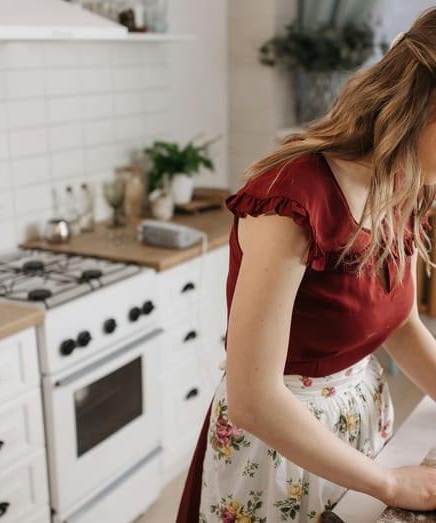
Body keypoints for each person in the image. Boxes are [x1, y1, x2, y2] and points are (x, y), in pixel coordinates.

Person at [177, 7, 436, 523]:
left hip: (354, 427)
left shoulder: (406, 182)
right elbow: (253, 398)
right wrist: (389, 482)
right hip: (278, 452)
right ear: (424, 104)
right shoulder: (292, 198)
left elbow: (400, 322)